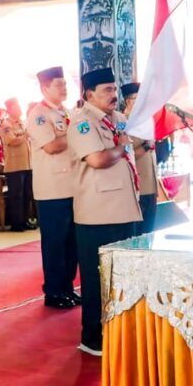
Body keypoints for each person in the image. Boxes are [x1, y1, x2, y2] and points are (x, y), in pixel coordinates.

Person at [67, 67, 142, 356]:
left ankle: (119, 330)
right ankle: (93, 338)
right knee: (96, 278)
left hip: (125, 207)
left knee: (124, 277)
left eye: (114, 89)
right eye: (107, 91)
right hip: (97, 213)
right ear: (89, 95)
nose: (114, 95)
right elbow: (98, 159)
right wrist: (122, 149)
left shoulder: (119, 120)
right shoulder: (81, 123)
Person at [27, 67, 80, 310]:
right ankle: (54, 292)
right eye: (58, 85)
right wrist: (78, 134)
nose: (64, 88)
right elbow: (51, 146)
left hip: (74, 185)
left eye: (64, 84)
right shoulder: (38, 114)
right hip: (52, 188)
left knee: (72, 242)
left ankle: (67, 288)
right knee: (55, 242)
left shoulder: (68, 113)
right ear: (44, 88)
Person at [122, 82, 158, 233]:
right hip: (137, 187)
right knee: (138, 233)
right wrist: (146, 145)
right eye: (137, 99)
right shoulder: (124, 123)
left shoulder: (146, 122)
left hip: (151, 186)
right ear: (128, 101)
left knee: (149, 231)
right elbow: (125, 155)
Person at [0, 98, 33, 232]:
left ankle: (24, 220)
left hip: (27, 164)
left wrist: (25, 134)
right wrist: (26, 135)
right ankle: (16, 223)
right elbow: (11, 140)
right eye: (16, 107)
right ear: (9, 110)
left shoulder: (22, 123)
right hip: (15, 166)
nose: (20, 110)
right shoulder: (6, 124)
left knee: (26, 194)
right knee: (16, 196)